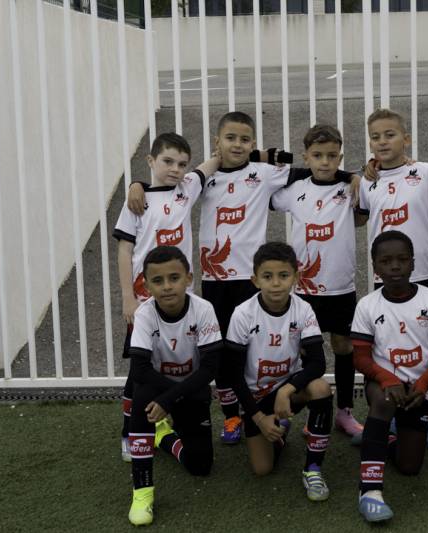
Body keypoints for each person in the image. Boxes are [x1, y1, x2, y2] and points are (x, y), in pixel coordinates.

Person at [127, 112, 294, 445]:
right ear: (217, 143)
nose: (237, 144)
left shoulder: (263, 174)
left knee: (250, 349)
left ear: (253, 143)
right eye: (229, 138)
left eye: (245, 139)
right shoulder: (203, 179)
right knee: (218, 354)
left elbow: (295, 164)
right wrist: (137, 184)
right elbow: (166, 183)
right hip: (215, 281)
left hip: (251, 280)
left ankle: (261, 411)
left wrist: (354, 178)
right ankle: (231, 416)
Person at [113, 132, 219, 462]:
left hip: (178, 299)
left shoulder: (187, 188)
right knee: (138, 372)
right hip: (145, 302)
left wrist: (219, 152)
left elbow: (210, 165)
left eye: (181, 164)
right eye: (168, 161)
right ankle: (129, 432)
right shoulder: (137, 199)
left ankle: (172, 419)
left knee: (175, 359)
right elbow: (124, 250)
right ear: (150, 161)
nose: (175, 169)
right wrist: (128, 298)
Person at [356, 109, 428, 451]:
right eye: (376, 136)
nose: (383, 141)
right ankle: (392, 415)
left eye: (390, 134)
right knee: (387, 350)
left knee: (426, 354)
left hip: (422, 276)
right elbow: (357, 217)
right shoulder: (368, 180)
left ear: (406, 139)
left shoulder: (424, 172)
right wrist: (355, 178)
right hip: (385, 282)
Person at [351, 231, 428, 522]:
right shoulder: (368, 305)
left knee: (410, 467)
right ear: (375, 267)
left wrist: (422, 385)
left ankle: (384, 436)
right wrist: (388, 380)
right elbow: (361, 357)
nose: (394, 266)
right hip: (383, 384)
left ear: (413, 264)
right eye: (386, 261)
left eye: (401, 260)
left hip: (419, 391)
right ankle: (369, 490)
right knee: (383, 402)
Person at [270, 124, 365, 439]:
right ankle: (298, 409)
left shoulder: (349, 186)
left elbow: (365, 195)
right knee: (302, 352)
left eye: (332, 156)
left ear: (340, 156)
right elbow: (264, 192)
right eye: (317, 156)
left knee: (343, 345)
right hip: (303, 290)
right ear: (306, 156)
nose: (325, 162)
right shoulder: (294, 190)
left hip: (340, 287)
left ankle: (344, 411)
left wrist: (352, 176)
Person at [222, 241, 334, 501]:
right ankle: (277, 430)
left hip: (288, 390)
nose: (276, 283)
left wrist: (287, 388)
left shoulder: (303, 309)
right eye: (267, 276)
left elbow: (318, 363)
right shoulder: (242, 315)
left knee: (320, 388)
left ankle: (313, 469)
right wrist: (259, 417)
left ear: (296, 277)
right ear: (255, 280)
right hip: (256, 399)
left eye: (283, 276)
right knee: (262, 469)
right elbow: (233, 375)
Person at [125, 246, 223, 526]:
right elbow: (139, 369)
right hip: (157, 389)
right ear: (146, 284)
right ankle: (142, 492)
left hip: (188, 389)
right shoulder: (144, 314)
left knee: (200, 467)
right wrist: (169, 397)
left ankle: (164, 437)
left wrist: (171, 400)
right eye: (158, 281)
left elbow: (210, 368)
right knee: (141, 392)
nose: (167, 287)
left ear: (188, 278)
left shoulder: (203, 309)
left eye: (174, 278)